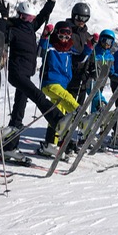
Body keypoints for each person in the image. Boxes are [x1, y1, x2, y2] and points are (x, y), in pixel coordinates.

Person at [0, 0, 66, 154]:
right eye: (27, 17)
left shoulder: (30, 28)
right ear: (20, 16)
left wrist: (53, 0)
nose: (30, 20)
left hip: (26, 74)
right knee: (38, 95)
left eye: (31, 18)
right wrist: (3, 18)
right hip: (17, 74)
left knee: (19, 111)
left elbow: (43, 15)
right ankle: (58, 120)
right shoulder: (13, 30)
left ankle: (11, 146)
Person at [38, 21, 82, 156]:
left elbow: (82, 58)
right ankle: (81, 117)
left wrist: (90, 46)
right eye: (61, 36)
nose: (64, 39)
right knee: (68, 98)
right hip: (50, 83)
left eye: (67, 37)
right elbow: (41, 48)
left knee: (58, 116)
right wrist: (45, 35)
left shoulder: (69, 50)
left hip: (62, 84)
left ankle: (52, 143)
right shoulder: (51, 47)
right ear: (56, 34)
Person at [64, 2, 94, 104]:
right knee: (66, 105)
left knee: (79, 107)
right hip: (69, 76)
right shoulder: (67, 32)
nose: (82, 21)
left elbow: (91, 54)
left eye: (85, 19)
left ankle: (77, 119)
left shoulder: (87, 35)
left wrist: (91, 68)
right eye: (79, 18)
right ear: (73, 16)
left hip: (82, 79)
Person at [86, 29, 115, 113]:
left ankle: (93, 119)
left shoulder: (110, 57)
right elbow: (87, 65)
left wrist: (116, 77)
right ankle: (102, 103)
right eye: (104, 40)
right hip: (90, 81)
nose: (106, 43)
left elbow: (112, 71)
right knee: (96, 96)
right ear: (100, 40)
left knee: (95, 101)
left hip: (101, 83)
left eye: (109, 42)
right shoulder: (93, 53)